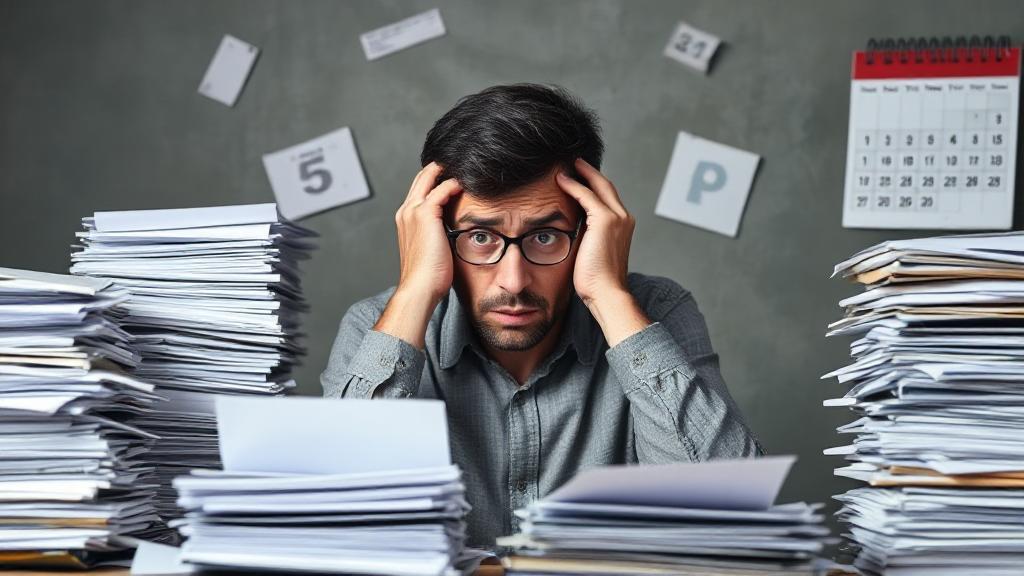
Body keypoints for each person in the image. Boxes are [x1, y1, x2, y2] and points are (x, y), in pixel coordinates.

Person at [321, 83, 762, 549]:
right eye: (480, 237)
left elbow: (728, 518)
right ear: (435, 233)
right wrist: (414, 291)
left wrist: (609, 295)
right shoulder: (375, 325)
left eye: (546, 237)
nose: (513, 281)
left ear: (591, 229)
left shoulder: (656, 313)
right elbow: (327, 521)